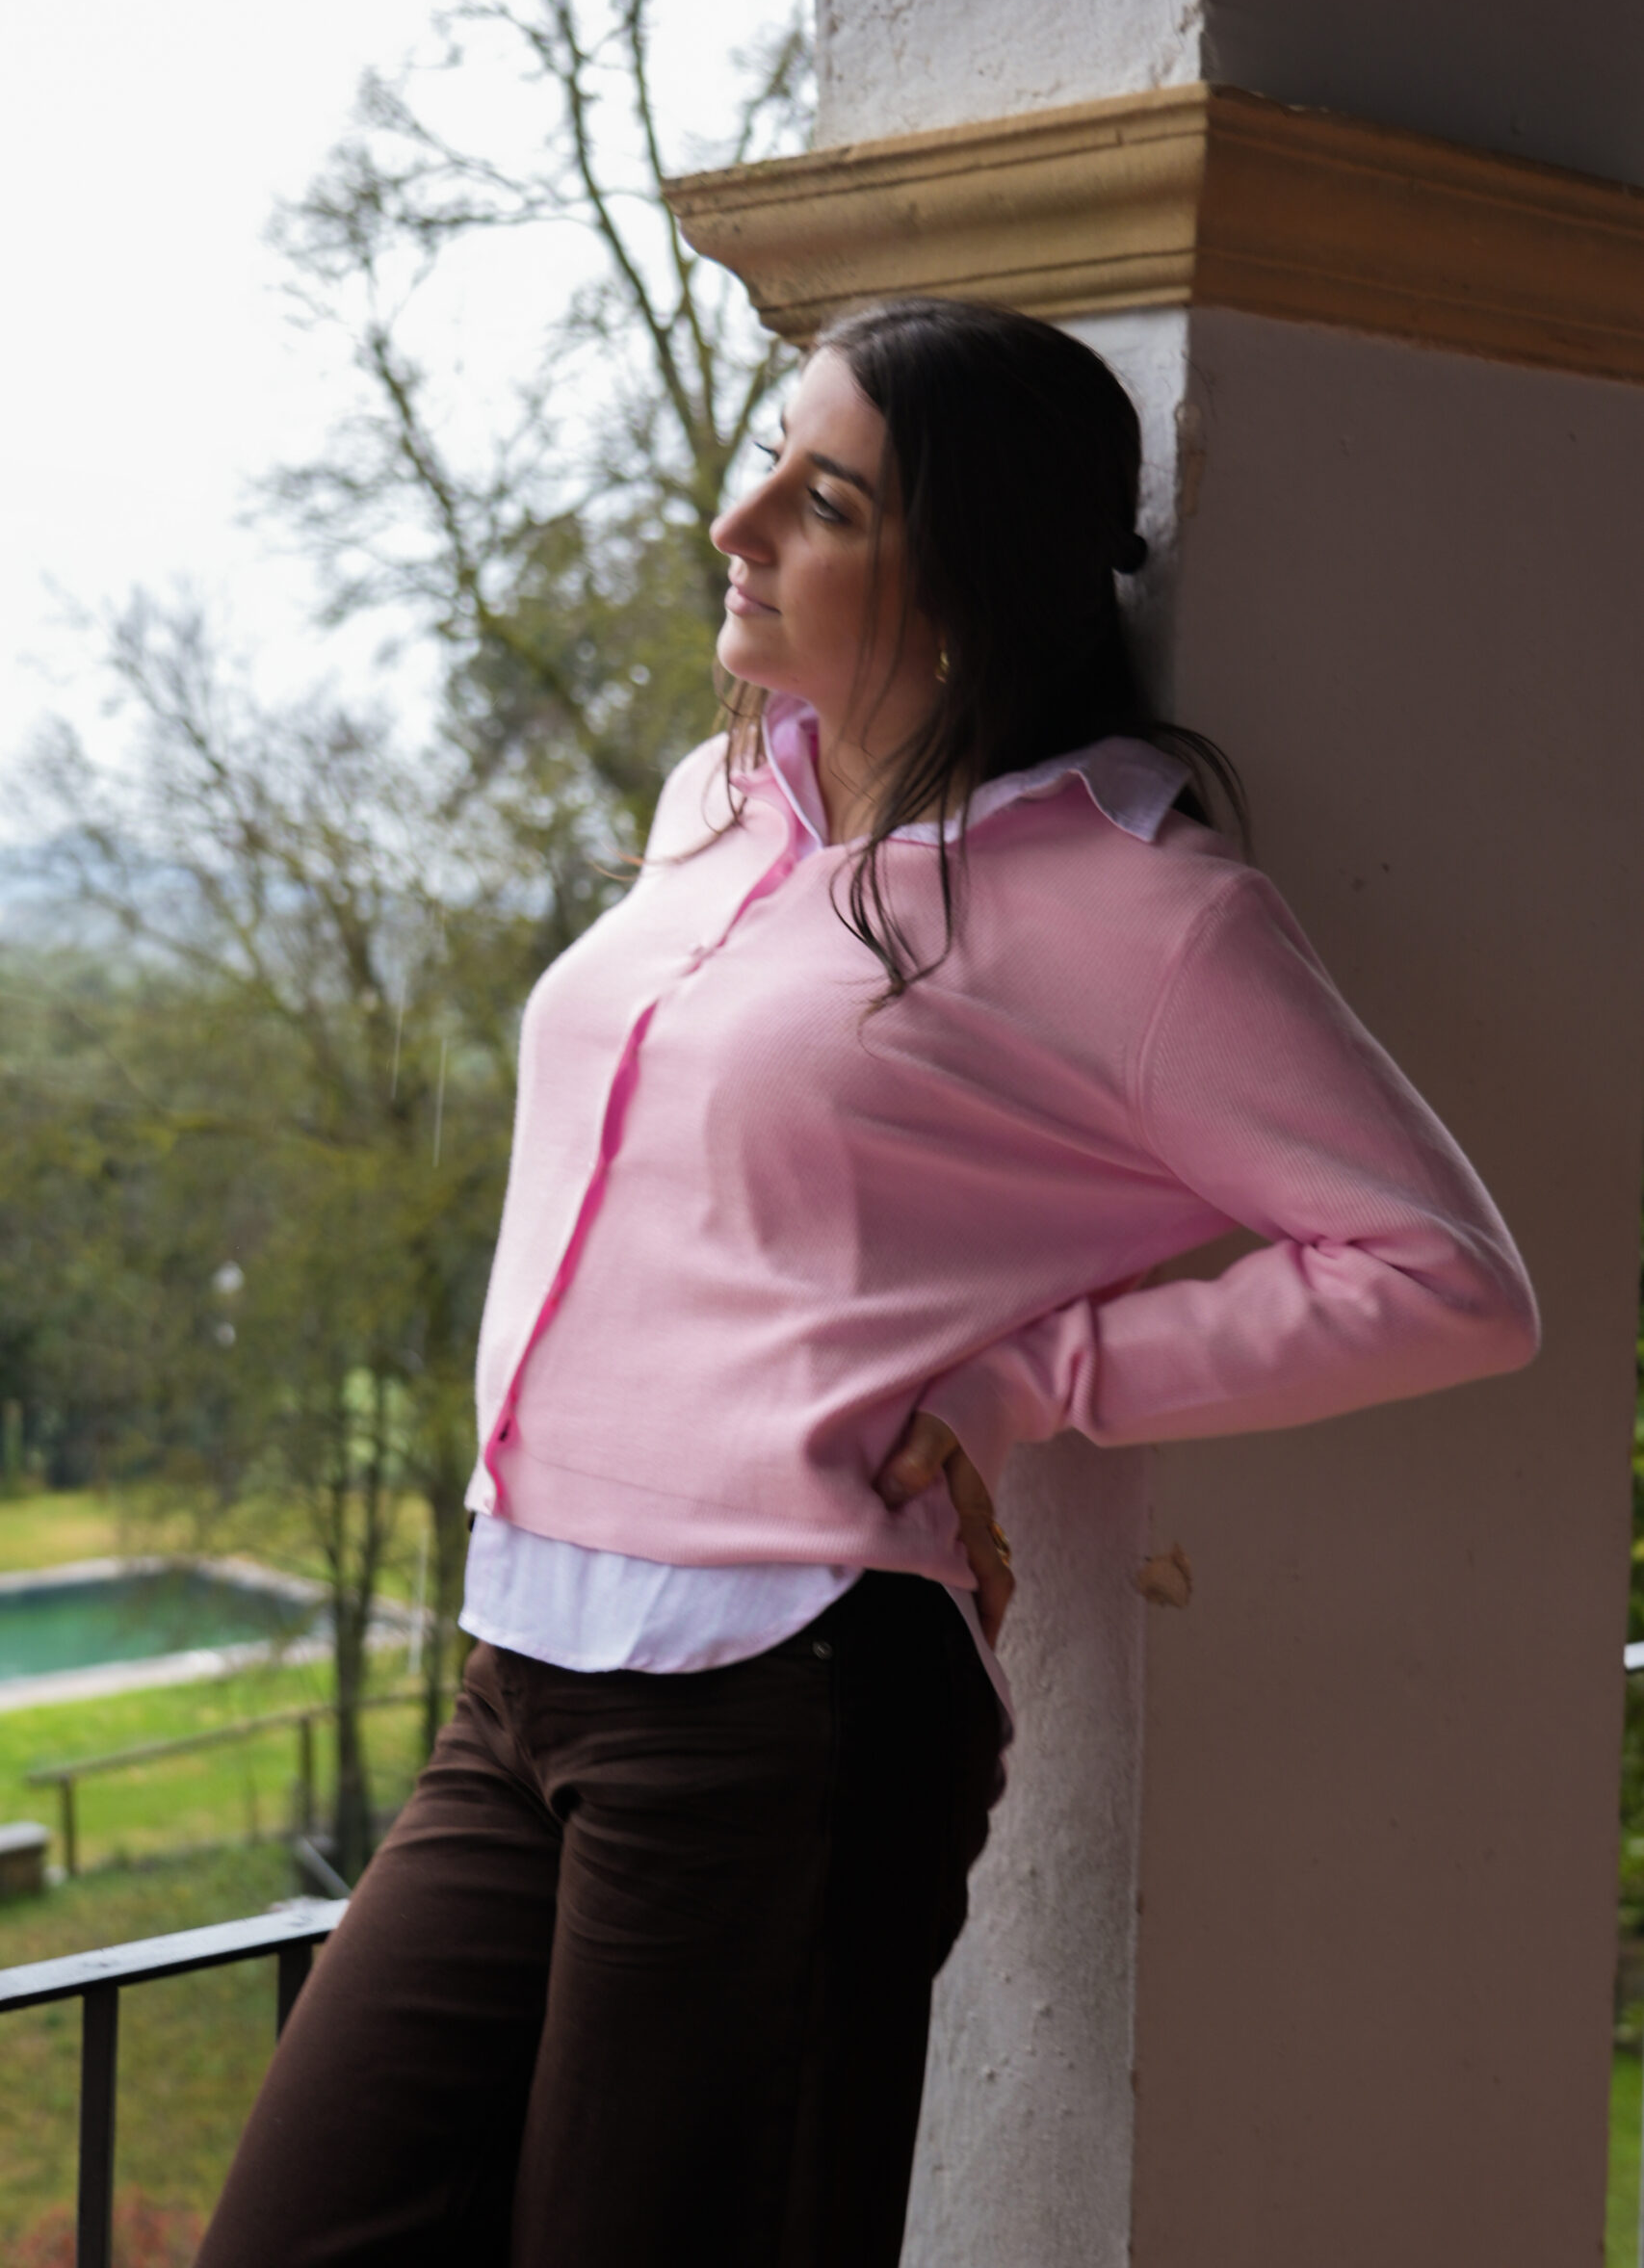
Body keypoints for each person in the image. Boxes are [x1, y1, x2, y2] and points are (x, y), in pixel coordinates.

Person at [197, 299, 1538, 2268]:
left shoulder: (1138, 911)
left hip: (785, 1697)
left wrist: (1032, 1372)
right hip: (526, 1661)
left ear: (970, 576)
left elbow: (1445, 1273)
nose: (735, 524)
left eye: (822, 503)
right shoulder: (715, 801)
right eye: (772, 463)